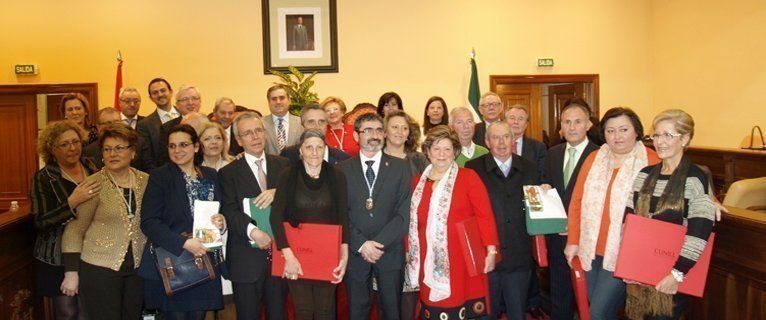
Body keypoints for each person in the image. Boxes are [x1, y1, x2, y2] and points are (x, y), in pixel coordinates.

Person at [565, 107, 660, 320]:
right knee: (597, 308)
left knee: (597, 313)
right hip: (590, 248)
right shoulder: (594, 158)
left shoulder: (651, 160)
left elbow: (681, 184)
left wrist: (711, 199)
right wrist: (572, 240)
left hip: (625, 252)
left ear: (636, 131)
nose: (616, 136)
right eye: (610, 131)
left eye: (623, 129)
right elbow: (576, 202)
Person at [623, 109, 715, 320]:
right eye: (656, 135)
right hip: (639, 274)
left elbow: (699, 232)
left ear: (685, 139)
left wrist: (677, 274)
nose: (660, 142)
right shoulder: (645, 175)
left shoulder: (695, 177)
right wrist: (628, 265)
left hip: (672, 276)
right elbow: (629, 222)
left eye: (668, 135)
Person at [406, 125, 500, 320]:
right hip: (427, 258)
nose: (442, 154)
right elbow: (411, 222)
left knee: (459, 307)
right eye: (437, 149)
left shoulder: (469, 178)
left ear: (455, 152)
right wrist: (408, 249)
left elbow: (485, 216)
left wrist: (491, 250)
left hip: (461, 259)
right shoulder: (417, 182)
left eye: (447, 149)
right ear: (428, 151)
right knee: (431, 309)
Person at [60, 123, 148, 319]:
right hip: (99, 268)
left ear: (132, 152)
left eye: (119, 148)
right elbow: (75, 229)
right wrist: (71, 272)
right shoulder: (92, 184)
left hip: (137, 270)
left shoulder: (146, 181)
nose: (112, 154)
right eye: (107, 149)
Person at [138, 124, 226, 320]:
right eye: (172, 146)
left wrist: (221, 220)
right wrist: (184, 243)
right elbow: (149, 221)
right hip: (173, 263)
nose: (177, 151)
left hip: (204, 263)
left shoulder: (210, 175)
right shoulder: (160, 176)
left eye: (184, 144)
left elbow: (220, 209)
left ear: (196, 147)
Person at [337, 113, 412, 320]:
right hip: (356, 252)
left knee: (391, 311)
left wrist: (378, 243)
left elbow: (404, 213)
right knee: (357, 311)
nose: (374, 135)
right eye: (367, 130)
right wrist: (362, 244)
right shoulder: (341, 170)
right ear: (355, 136)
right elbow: (340, 214)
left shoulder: (400, 167)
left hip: (389, 251)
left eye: (379, 130)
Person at [270, 129, 349, 319]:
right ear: (301, 151)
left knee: (324, 310)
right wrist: (288, 256)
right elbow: (275, 217)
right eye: (309, 147)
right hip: (294, 253)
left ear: (325, 150)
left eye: (319, 147)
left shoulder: (337, 175)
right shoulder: (287, 175)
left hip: (327, 253)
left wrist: (344, 256)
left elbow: (343, 217)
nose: (314, 152)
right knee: (303, 310)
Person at [219, 112, 291, 320]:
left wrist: (279, 193)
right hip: (245, 259)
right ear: (239, 140)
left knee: (278, 314)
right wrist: (253, 232)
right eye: (248, 133)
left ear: (266, 134)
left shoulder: (284, 165)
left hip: (280, 256)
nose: (255, 137)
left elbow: (296, 202)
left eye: (259, 130)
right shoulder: (228, 173)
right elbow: (229, 210)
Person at [465, 122, 540, 320]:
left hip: (519, 256)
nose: (501, 142)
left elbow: (537, 208)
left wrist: (545, 194)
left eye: (506, 136)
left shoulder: (530, 169)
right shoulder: (473, 169)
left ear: (513, 139)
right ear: (487, 141)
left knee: (517, 314)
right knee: (485, 315)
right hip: (486, 258)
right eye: (495, 137)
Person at [31, 120, 100, 320]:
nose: (72, 148)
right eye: (64, 144)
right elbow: (40, 221)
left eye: (76, 142)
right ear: (52, 149)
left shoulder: (91, 166)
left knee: (89, 310)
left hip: (91, 250)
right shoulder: (43, 177)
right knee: (68, 312)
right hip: (56, 256)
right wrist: (71, 203)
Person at [540, 100, 598, 320]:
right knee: (559, 292)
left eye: (578, 122)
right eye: (567, 122)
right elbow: (546, 183)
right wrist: (543, 188)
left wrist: (576, 226)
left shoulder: (600, 155)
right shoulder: (552, 153)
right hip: (557, 236)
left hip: (587, 237)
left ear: (588, 125)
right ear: (561, 127)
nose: (572, 127)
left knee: (589, 295)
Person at [281, 103, 350, 165]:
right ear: (302, 127)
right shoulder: (287, 156)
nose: (317, 127)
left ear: (327, 126)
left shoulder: (343, 159)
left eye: (322, 122)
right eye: (311, 122)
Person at [156, 85, 205, 166]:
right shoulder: (167, 128)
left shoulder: (210, 124)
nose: (190, 102)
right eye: (185, 99)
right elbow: (163, 160)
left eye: (194, 98)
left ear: (200, 102)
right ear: (177, 105)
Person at [137, 78, 180, 171]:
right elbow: (147, 158)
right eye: (155, 92)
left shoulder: (185, 116)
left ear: (171, 92)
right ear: (151, 98)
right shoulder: (144, 125)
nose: (160, 95)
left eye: (163, 90)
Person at [505, 104, 549, 182]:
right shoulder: (497, 146)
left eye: (520, 119)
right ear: (505, 122)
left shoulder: (538, 148)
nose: (516, 122)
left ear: (526, 124)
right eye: (512, 118)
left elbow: (543, 176)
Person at [384, 110, 429, 176]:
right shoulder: (374, 157)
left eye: (405, 128)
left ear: (409, 133)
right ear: (385, 132)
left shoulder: (419, 159)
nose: (400, 131)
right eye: (395, 127)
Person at [263, 85, 304, 155]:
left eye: (282, 98)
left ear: (289, 100)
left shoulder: (301, 123)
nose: (278, 102)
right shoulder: (260, 124)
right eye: (274, 99)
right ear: (268, 102)